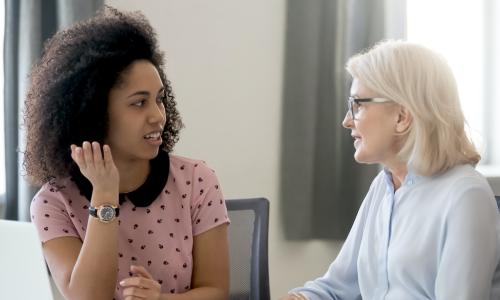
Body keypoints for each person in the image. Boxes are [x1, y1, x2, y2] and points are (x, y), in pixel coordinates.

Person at [25, 6, 229, 300]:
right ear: (94, 112)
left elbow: (217, 292)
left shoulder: (198, 180)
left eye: (159, 100)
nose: (158, 116)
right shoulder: (52, 203)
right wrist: (105, 194)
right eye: (139, 103)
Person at [280, 40, 500, 299]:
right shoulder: (383, 187)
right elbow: (335, 288)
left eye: (358, 105)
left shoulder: (465, 194)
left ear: (401, 117)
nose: (346, 120)